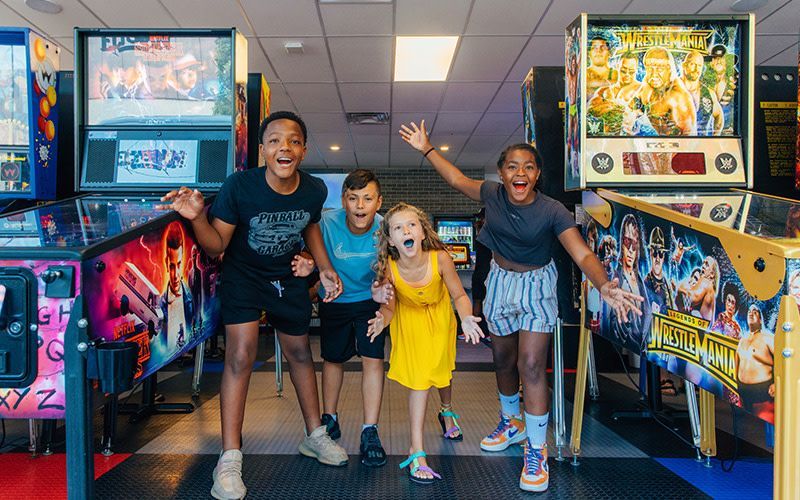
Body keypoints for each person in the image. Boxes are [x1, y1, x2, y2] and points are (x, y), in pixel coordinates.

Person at [398, 120, 642, 492]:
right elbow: (457, 181)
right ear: (502, 172)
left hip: (537, 286)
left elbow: (580, 252)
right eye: (512, 166)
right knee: (502, 359)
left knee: (530, 364)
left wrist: (605, 285)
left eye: (528, 166)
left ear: (537, 174)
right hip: (499, 282)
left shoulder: (552, 210)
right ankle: (511, 421)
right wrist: (427, 148)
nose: (520, 172)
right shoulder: (493, 194)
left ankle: (536, 448)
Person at [159, 111, 348, 500]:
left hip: (287, 277)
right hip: (243, 276)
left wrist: (324, 268)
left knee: (298, 350)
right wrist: (196, 217)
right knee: (240, 356)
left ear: (303, 150)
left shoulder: (314, 190)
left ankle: (315, 434)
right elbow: (217, 246)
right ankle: (229, 459)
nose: (285, 147)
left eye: (293, 141)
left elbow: (310, 225)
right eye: (275, 140)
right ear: (262, 150)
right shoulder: (240, 187)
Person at [367, 202, 484, 484]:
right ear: (390, 240)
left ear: (422, 232)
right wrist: (382, 319)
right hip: (410, 322)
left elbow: (458, 295)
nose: (405, 230)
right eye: (397, 227)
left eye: (411, 225)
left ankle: (446, 411)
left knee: (442, 369)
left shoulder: (440, 258)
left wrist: (467, 317)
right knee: (420, 381)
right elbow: (389, 308)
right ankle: (416, 450)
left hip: (440, 315)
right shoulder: (390, 269)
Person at [293, 169, 390, 467]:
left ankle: (369, 430)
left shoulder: (386, 228)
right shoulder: (325, 223)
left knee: (373, 360)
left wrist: (384, 295)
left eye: (367, 199)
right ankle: (330, 418)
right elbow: (309, 255)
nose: (360, 206)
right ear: (344, 202)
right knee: (333, 359)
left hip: (369, 301)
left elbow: (393, 268)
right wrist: (308, 267)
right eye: (353, 198)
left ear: (378, 202)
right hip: (333, 298)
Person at [624, 48, 696, 138]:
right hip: (655, 144)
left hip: (678, 147)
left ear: (669, 69)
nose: (654, 74)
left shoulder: (678, 96)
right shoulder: (648, 84)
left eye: (660, 69)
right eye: (650, 69)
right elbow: (630, 109)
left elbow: (689, 135)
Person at [610, 214, 651, 351]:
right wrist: (624, 321)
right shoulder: (616, 277)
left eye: (634, 244)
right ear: (621, 242)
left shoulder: (641, 281)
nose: (631, 250)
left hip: (645, 350)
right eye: (627, 242)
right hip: (629, 346)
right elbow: (613, 326)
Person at [587, 52, 641, 134]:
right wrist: (615, 106)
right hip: (607, 139)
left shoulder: (642, 89)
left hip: (631, 140)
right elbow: (590, 110)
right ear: (617, 67)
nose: (627, 74)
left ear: (636, 69)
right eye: (623, 71)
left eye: (631, 72)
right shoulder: (604, 91)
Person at [160, 222, 194, 349]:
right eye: (172, 266)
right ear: (166, 263)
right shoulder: (161, 303)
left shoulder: (190, 297)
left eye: (179, 264)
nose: (175, 275)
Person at [736, 305, 775, 418]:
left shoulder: (768, 338)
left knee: (767, 429)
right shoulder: (742, 340)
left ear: (761, 319)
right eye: (749, 311)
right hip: (743, 394)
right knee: (746, 427)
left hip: (763, 394)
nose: (751, 313)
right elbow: (737, 364)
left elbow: (783, 361)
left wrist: (777, 384)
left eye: (755, 312)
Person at [681, 50, 723, 136]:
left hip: (701, 146)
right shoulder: (672, 89)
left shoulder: (708, 93)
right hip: (677, 147)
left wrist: (716, 137)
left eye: (699, 65)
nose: (696, 69)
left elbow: (718, 115)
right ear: (684, 65)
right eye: (692, 64)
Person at [677, 256, 718, 322]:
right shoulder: (711, 290)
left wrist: (677, 288)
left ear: (712, 274)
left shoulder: (706, 282)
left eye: (707, 265)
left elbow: (692, 298)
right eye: (703, 263)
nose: (703, 266)